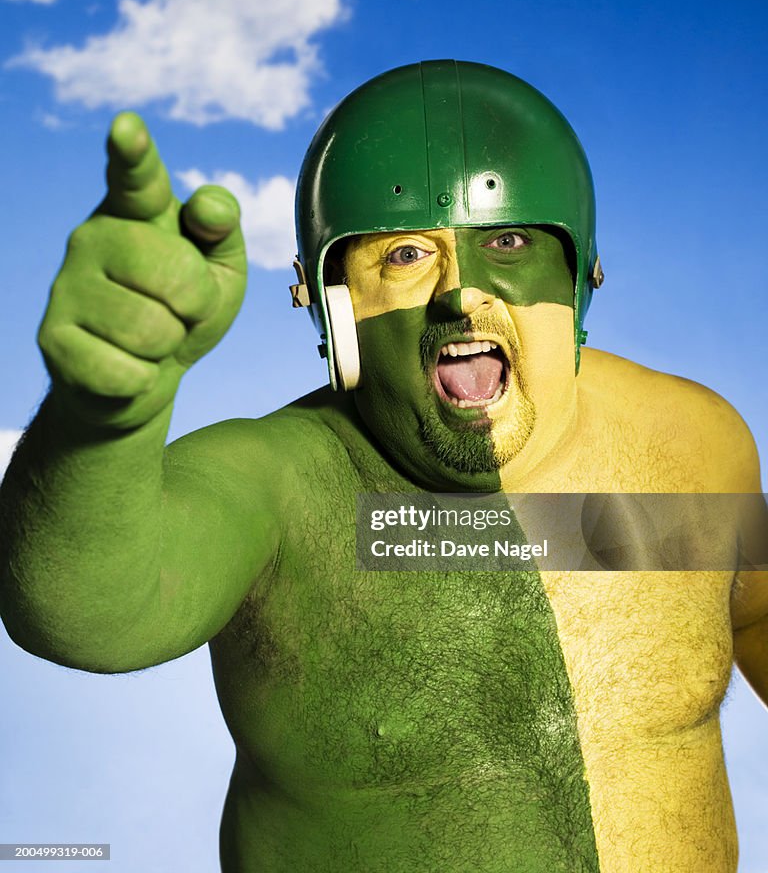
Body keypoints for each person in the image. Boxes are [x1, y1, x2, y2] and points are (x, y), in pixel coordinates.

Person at [0, 60, 766, 872]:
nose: (462, 295)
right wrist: (100, 416)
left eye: (507, 241)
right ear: (335, 311)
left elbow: (753, 615)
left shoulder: (693, 441)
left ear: (579, 279)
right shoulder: (279, 482)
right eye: (404, 254)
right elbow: (80, 613)